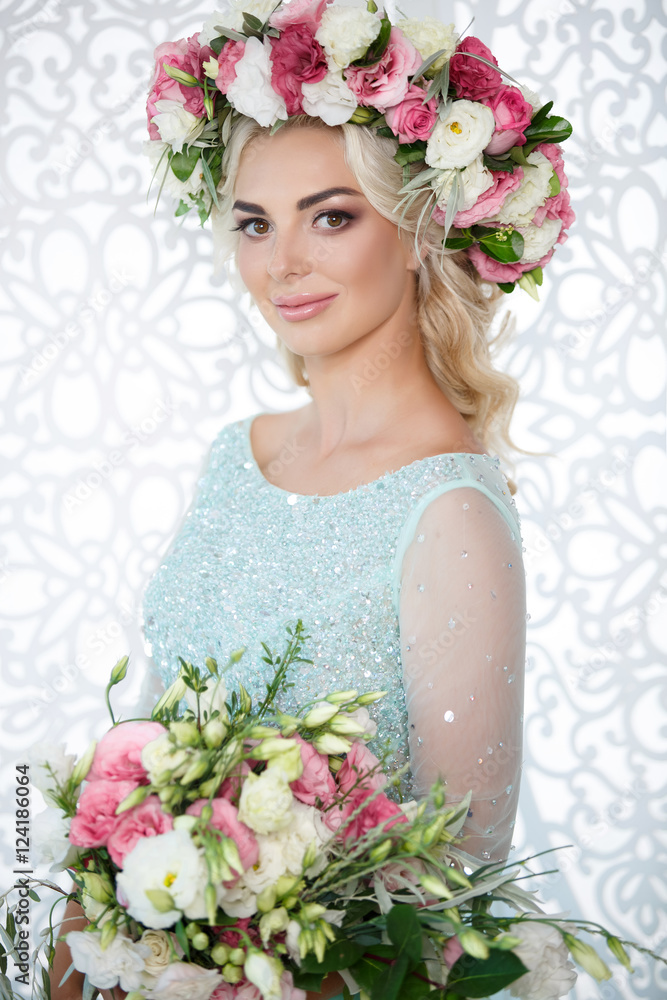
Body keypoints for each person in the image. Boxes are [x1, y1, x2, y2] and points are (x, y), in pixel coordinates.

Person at [52, 5, 574, 999]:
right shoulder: (233, 455)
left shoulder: (449, 511)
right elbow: (152, 751)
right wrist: (96, 934)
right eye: (255, 223)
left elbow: (453, 888)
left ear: (420, 230)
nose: (281, 263)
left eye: (330, 216)